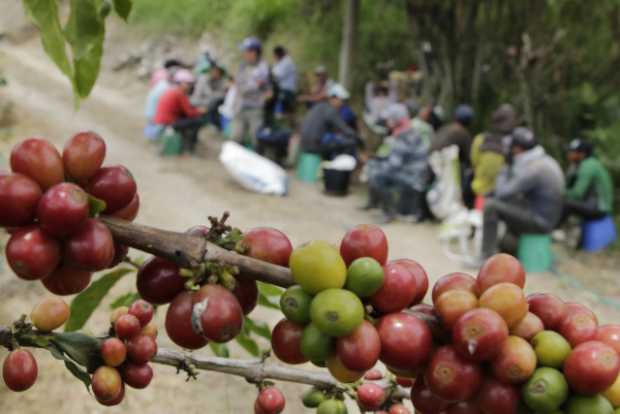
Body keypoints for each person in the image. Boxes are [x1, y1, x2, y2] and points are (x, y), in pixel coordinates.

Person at [481, 127, 565, 259]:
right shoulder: (544, 160)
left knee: (491, 206)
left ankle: (485, 257)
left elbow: (502, 193)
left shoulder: (533, 169)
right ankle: (507, 248)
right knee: (510, 203)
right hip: (547, 218)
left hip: (540, 223)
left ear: (518, 148)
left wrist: (504, 168)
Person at [364, 103, 430, 223]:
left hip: (414, 178)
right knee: (374, 166)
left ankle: (389, 213)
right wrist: (377, 160)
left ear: (396, 120)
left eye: (389, 119)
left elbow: (393, 165)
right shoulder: (407, 131)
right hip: (412, 173)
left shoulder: (404, 136)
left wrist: (376, 165)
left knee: (377, 175)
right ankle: (375, 205)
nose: (387, 121)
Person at [470, 104, 520, 197]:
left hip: (479, 191)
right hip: (504, 195)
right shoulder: (516, 144)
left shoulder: (480, 139)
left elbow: (474, 162)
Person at [231, 36, 272, 147]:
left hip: (255, 109)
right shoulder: (243, 66)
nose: (243, 54)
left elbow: (265, 90)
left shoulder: (263, 68)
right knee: (236, 137)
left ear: (253, 52)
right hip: (240, 107)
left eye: (245, 51)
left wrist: (263, 98)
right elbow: (239, 85)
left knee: (256, 139)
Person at [431, 104, 475, 207]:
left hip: (431, 162)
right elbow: (469, 158)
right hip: (444, 164)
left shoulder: (445, 128)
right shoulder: (463, 133)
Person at [299, 84, 358, 160]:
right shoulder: (330, 111)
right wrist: (357, 137)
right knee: (351, 142)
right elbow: (345, 129)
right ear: (334, 98)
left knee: (332, 141)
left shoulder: (318, 107)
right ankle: (339, 168)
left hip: (303, 145)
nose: (343, 104)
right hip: (314, 147)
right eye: (342, 100)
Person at [154, 69, 205, 154]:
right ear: (181, 83)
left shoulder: (172, 90)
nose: (189, 86)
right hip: (169, 122)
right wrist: (201, 111)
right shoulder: (180, 93)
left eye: (190, 84)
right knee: (198, 121)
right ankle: (190, 147)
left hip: (162, 121)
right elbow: (190, 113)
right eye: (188, 84)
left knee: (187, 120)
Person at [562, 139, 614, 222]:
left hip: (599, 208)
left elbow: (577, 193)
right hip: (592, 204)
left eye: (572, 151)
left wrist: (558, 193)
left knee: (565, 204)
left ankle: (547, 230)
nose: (569, 154)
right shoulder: (579, 165)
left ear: (582, 154)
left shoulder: (588, 165)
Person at [191, 64, 228, 130]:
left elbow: (222, 94)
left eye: (217, 72)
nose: (215, 74)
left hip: (211, 106)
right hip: (199, 104)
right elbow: (197, 98)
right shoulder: (203, 80)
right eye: (213, 71)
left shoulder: (220, 81)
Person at [271, 46, 297, 121]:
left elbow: (277, 76)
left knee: (284, 113)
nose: (274, 57)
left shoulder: (287, 62)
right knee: (288, 113)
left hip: (286, 91)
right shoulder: (280, 63)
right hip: (283, 90)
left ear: (278, 54)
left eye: (274, 55)